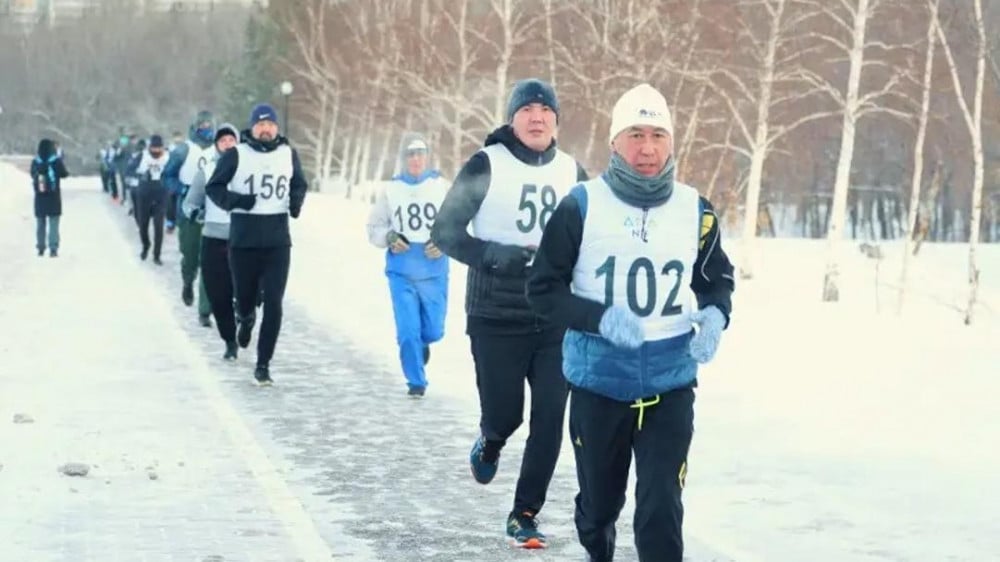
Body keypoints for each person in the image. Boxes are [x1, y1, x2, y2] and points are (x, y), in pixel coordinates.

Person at [526, 83, 735, 562]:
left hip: (671, 384)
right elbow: (542, 290)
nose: (648, 148)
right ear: (615, 142)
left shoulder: (696, 210)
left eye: (658, 135)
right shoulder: (581, 205)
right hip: (600, 385)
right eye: (636, 134)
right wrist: (599, 318)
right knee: (600, 509)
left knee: (662, 507)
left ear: (671, 142)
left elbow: (715, 277)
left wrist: (716, 314)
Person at [429, 78, 589, 549]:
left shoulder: (572, 171)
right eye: (527, 109)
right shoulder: (487, 164)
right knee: (507, 414)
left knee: (549, 418)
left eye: (545, 110)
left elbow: (593, 237)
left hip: (553, 318)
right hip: (495, 315)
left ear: (556, 121)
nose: (536, 117)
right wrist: (494, 255)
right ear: (512, 118)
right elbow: (445, 230)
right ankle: (491, 438)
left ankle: (524, 512)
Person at [205, 103, 307, 386]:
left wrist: (295, 204)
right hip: (244, 241)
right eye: (260, 124)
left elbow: (299, 183)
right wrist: (237, 201)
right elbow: (214, 188)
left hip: (277, 241)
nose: (266, 129)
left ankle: (263, 364)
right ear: (252, 128)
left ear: (276, 128)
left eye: (270, 124)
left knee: (274, 303)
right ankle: (245, 316)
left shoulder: (288, 154)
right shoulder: (237, 154)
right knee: (246, 297)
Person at [366, 133, 450, 397]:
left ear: (427, 157)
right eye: (410, 154)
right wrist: (390, 237)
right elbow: (374, 227)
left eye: (420, 153)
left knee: (433, 330)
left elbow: (458, 223)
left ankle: (422, 344)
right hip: (401, 271)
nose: (416, 159)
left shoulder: (441, 186)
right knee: (407, 331)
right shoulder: (391, 189)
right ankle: (416, 382)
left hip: (433, 270)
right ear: (403, 159)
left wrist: (444, 242)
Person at [183, 124, 242, 356]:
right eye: (223, 141)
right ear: (217, 145)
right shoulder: (207, 171)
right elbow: (190, 203)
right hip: (214, 237)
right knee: (218, 293)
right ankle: (229, 341)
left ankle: (244, 316)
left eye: (231, 140)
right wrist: (194, 213)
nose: (227, 144)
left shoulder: (247, 169)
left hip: (242, 237)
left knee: (244, 289)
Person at [164, 110, 216, 326]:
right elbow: (167, 175)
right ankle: (187, 280)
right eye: (202, 125)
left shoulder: (219, 149)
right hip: (188, 212)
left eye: (209, 124)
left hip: (213, 210)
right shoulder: (183, 150)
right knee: (191, 255)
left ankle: (205, 310)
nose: (206, 128)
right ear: (195, 127)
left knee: (209, 261)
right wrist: (182, 190)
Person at [131, 134, 170, 264]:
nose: (156, 151)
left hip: (161, 193)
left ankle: (157, 255)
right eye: (153, 148)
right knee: (143, 224)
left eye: (158, 148)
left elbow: (174, 172)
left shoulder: (168, 157)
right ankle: (146, 245)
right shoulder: (142, 156)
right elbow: (129, 170)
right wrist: (140, 175)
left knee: (159, 226)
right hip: (144, 193)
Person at [30, 138, 70, 257]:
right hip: (53, 196)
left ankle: (41, 247)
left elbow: (32, 174)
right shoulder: (55, 161)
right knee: (53, 222)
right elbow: (64, 174)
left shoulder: (36, 161)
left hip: (40, 196)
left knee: (40, 223)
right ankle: (53, 248)